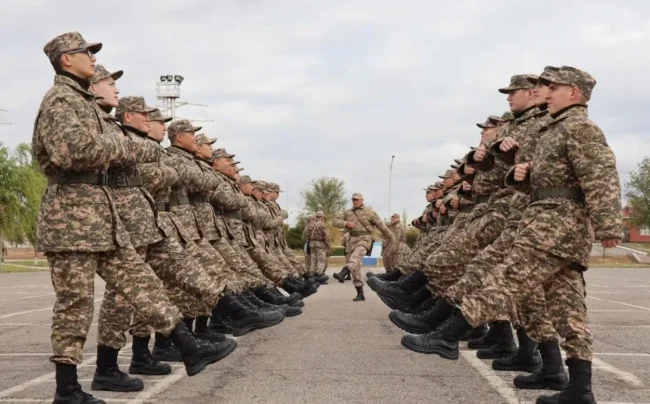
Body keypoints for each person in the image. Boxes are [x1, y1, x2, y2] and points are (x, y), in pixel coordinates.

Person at [402, 66, 622, 404]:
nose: (547, 92)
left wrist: (609, 227)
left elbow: (601, 175)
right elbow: (548, 177)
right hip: (546, 221)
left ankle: (447, 335)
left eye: (554, 87)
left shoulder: (580, 128)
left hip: (556, 227)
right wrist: (522, 174)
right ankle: (579, 387)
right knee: (568, 309)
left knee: (505, 278)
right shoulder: (555, 128)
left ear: (573, 93)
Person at [34, 32, 212, 404]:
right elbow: (74, 153)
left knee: (140, 279)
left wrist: (121, 148)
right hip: (70, 218)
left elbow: (98, 149)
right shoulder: (61, 100)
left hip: (100, 214)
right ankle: (67, 388)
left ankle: (188, 346)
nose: (93, 59)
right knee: (75, 302)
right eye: (87, 53)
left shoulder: (80, 101)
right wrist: (126, 146)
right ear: (67, 59)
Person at [332, 193, 395, 301]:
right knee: (355, 269)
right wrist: (346, 223)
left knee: (356, 256)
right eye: (353, 200)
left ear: (362, 200)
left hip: (365, 239)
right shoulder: (348, 212)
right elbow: (335, 221)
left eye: (356, 200)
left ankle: (344, 272)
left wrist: (392, 239)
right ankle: (360, 293)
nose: (354, 201)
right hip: (351, 240)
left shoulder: (369, 212)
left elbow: (382, 226)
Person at [308, 211, 330, 276]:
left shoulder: (311, 224)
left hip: (312, 244)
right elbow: (327, 236)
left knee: (313, 260)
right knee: (321, 260)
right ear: (322, 216)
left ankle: (312, 273)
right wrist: (328, 245)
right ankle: (319, 274)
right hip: (320, 244)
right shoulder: (322, 224)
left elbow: (307, 235)